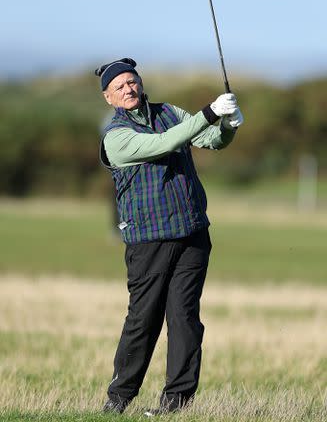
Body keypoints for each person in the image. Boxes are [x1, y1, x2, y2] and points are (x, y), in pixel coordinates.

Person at [96, 58, 244, 415]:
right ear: (108, 98)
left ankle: (176, 402)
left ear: (140, 83)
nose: (128, 89)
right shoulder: (115, 137)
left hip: (192, 233)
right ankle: (119, 399)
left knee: (185, 319)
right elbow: (163, 144)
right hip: (149, 241)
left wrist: (228, 125)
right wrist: (209, 110)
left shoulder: (170, 111)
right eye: (119, 87)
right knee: (143, 321)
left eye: (132, 82)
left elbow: (210, 139)